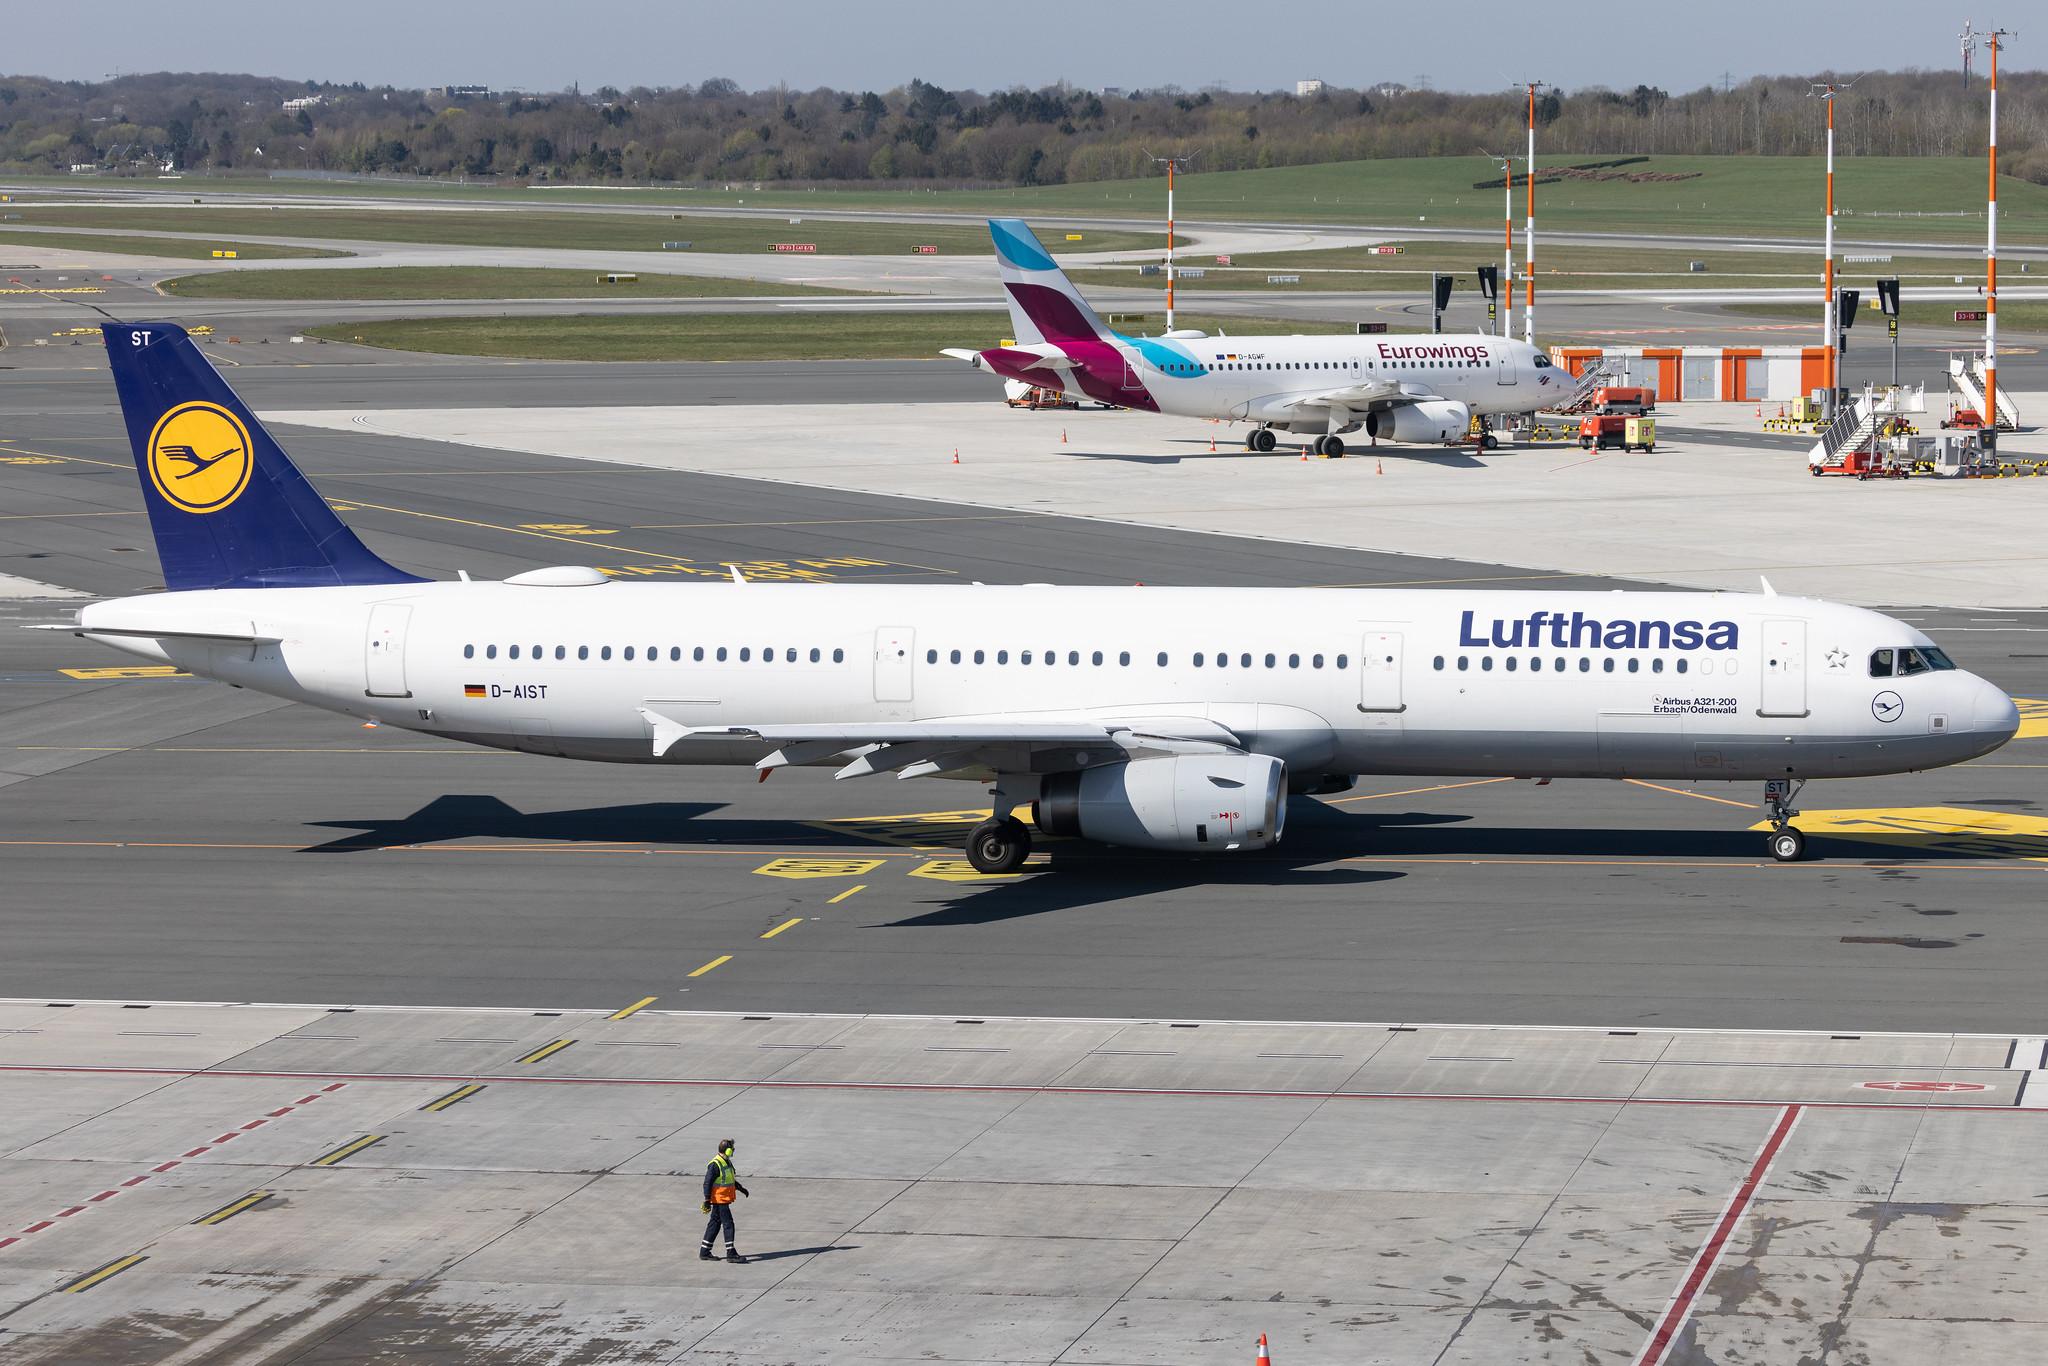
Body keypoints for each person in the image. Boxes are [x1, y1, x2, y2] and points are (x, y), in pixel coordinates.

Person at [699, 1137, 750, 1263]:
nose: (733, 1151)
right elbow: (707, 1183)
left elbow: (729, 1179)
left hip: (723, 1199)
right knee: (728, 1224)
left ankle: (704, 1251)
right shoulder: (715, 1164)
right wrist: (706, 1200)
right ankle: (731, 1252)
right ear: (727, 1150)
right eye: (732, 1149)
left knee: (715, 1224)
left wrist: (740, 1188)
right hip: (719, 1199)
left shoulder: (726, 1162)